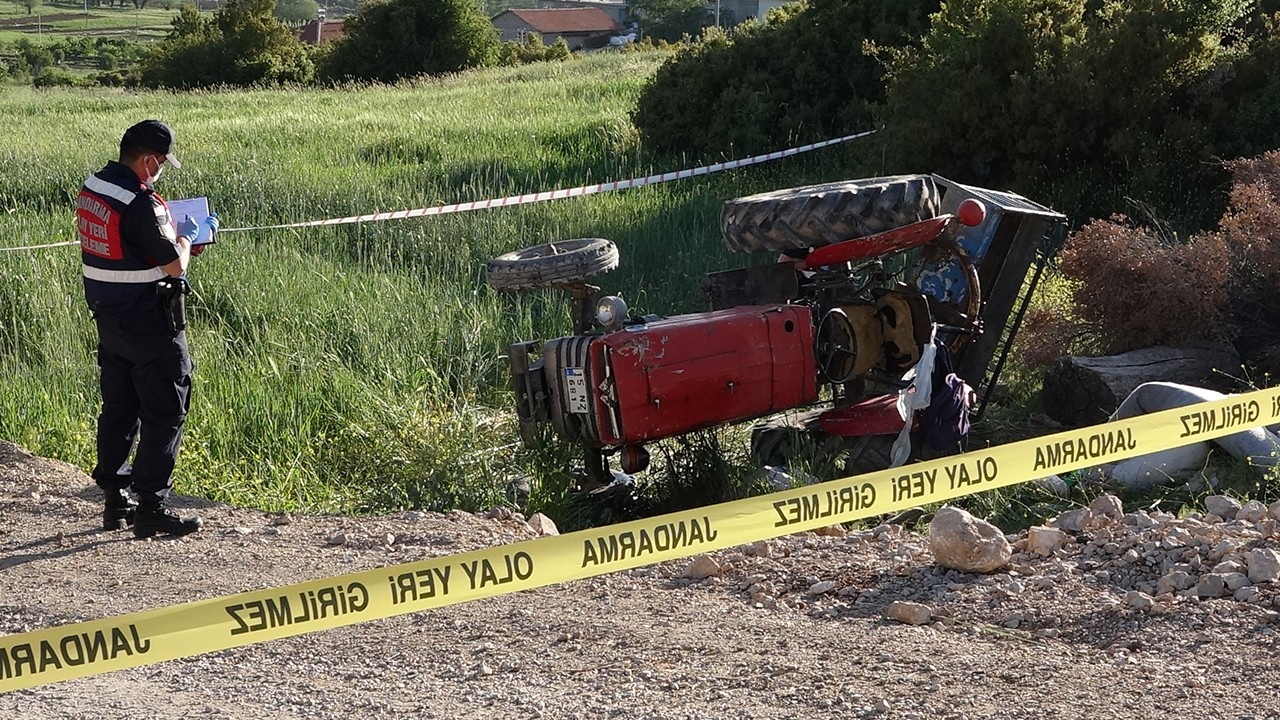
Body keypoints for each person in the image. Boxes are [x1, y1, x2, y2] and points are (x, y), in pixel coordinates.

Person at [77, 119, 218, 539]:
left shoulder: (95, 187)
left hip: (109, 318)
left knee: (119, 407)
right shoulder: (142, 202)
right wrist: (189, 238)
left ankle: (115, 501)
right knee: (166, 409)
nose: (159, 172)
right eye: (160, 164)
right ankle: (152, 506)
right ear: (150, 160)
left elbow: (124, 245)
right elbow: (173, 265)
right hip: (149, 321)